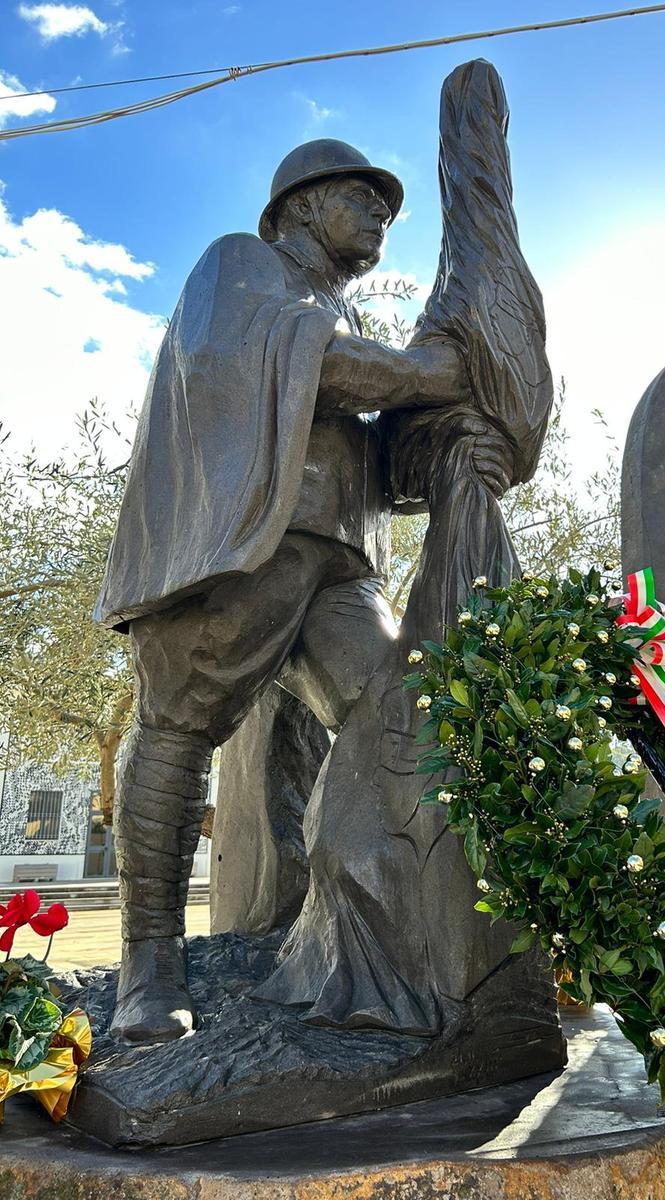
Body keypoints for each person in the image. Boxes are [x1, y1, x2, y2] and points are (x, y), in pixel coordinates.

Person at [95, 138, 509, 1043]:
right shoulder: (242, 265)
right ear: (298, 206)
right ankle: (149, 960)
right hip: (237, 549)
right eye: (360, 197)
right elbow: (306, 369)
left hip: (336, 561)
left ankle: (383, 946)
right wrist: (435, 371)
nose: (378, 216)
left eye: (388, 209)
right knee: (177, 730)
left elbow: (370, 435)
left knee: (398, 710)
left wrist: (453, 441)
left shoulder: (334, 305)